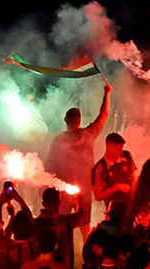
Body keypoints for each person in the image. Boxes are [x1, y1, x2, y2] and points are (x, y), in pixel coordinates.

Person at [47, 81, 112, 237]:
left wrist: (53, 187)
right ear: (79, 120)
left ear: (65, 120)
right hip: (84, 188)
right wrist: (107, 94)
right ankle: (87, 258)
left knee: (61, 225)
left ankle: (60, 255)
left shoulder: (58, 140)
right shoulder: (88, 134)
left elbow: (49, 166)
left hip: (63, 190)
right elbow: (104, 115)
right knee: (85, 226)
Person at [92, 132, 136, 214]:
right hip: (115, 211)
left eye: (122, 148)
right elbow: (98, 196)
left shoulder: (126, 156)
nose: (121, 151)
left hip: (132, 206)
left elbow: (133, 177)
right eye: (119, 148)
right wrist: (117, 187)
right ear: (110, 146)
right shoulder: (100, 168)